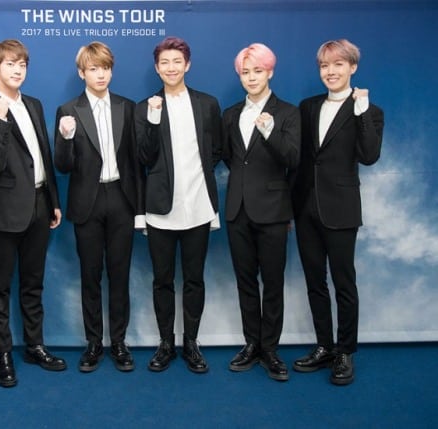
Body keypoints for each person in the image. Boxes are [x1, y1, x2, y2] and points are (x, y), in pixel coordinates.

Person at [0, 39, 66, 388]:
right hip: (6, 210)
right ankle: (4, 353)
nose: (17, 70)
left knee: (33, 282)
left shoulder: (35, 105)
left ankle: (35, 346)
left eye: (22, 64)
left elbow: (43, 156)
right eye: (10, 64)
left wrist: (53, 200)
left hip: (40, 204)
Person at [291, 39, 384, 385]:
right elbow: (300, 160)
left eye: (338, 64)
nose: (330, 71)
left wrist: (361, 111)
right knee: (315, 281)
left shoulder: (370, 111)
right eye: (324, 66)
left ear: (352, 67)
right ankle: (324, 347)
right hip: (305, 208)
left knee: (344, 283)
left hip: (341, 209)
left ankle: (345, 351)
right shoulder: (308, 107)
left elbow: (369, 156)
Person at [54, 41, 145, 373]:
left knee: (119, 274)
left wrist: (140, 209)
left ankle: (119, 342)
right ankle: (94, 343)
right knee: (90, 275)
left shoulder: (127, 107)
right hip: (87, 203)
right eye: (93, 69)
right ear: (82, 73)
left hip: (121, 198)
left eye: (105, 68)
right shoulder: (68, 110)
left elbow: (136, 163)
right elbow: (62, 166)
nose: (100, 74)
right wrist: (65, 138)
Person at [135, 36, 222, 374]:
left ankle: (191, 343)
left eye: (177, 62)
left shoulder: (207, 104)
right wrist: (154, 119)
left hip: (198, 206)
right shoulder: (145, 107)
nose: (171, 68)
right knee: (162, 280)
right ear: (157, 68)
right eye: (164, 63)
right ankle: (165, 343)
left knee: (194, 279)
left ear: (187, 65)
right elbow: (144, 157)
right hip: (160, 209)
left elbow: (217, 150)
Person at [222, 43, 300, 382]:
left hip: (273, 210)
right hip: (237, 209)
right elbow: (231, 158)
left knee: (272, 282)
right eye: (245, 72)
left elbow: (293, 158)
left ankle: (270, 348)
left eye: (258, 71)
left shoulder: (288, 113)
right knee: (245, 281)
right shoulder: (230, 114)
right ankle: (251, 344)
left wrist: (269, 132)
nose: (251, 77)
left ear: (270, 72)